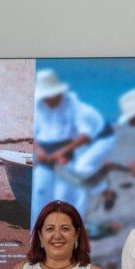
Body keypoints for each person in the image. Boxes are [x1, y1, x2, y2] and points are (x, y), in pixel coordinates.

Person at [32, 69, 113, 220]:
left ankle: (79, 221)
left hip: (99, 138)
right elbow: (33, 133)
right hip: (56, 148)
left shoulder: (74, 105)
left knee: (76, 180)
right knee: (39, 189)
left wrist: (62, 153)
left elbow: (85, 135)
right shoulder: (38, 105)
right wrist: (39, 150)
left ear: (56, 93)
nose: (45, 100)